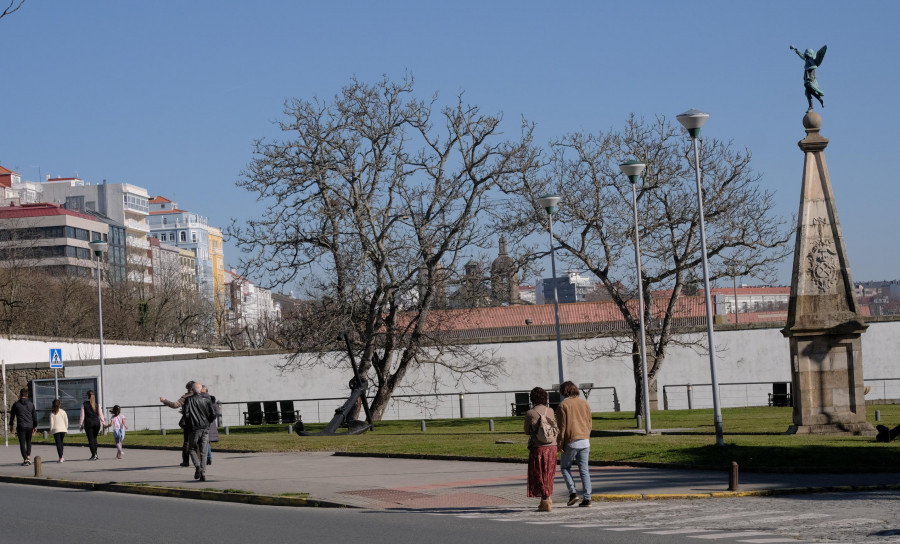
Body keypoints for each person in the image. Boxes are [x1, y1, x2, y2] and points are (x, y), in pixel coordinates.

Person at [555, 380, 593, 507]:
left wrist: (559, 444)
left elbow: (562, 427)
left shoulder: (563, 406)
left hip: (571, 441)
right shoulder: (584, 403)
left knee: (565, 467)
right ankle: (587, 498)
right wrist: (587, 434)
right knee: (584, 470)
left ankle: (573, 492)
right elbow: (589, 421)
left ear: (563, 391)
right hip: (585, 440)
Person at [523, 386, 558, 512]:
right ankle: (547, 497)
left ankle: (545, 500)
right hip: (552, 446)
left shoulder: (530, 413)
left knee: (539, 473)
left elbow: (526, 431)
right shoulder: (550, 410)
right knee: (549, 473)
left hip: (538, 447)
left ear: (532, 398)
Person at [183, 382, 216, 482]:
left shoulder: (189, 399)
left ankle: (197, 466)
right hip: (205, 428)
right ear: (201, 390)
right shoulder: (206, 400)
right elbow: (213, 414)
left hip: (194, 428)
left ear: (192, 390)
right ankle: (203, 473)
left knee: (192, 449)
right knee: (203, 451)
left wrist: (190, 424)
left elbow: (186, 414)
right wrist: (207, 422)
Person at [160, 380, 197, 467]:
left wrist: (165, 401)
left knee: (187, 442)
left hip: (188, 422)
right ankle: (199, 460)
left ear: (188, 388)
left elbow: (175, 405)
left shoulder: (186, 397)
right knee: (198, 441)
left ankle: (185, 461)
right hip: (199, 422)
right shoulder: (202, 396)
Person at [790, 44, 827, 111]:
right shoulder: (807, 59)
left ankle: (819, 91)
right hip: (806, 73)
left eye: (806, 54)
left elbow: (805, 58)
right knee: (807, 92)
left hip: (811, 73)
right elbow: (802, 56)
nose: (805, 55)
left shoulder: (812, 60)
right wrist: (797, 51)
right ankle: (812, 106)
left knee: (808, 84)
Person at [9, 388, 37, 466]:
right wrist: (35, 425)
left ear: (20, 395)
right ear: (27, 395)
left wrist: (11, 425)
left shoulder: (16, 404)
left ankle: (25, 459)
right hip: (29, 426)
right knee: (28, 441)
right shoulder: (31, 404)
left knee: (22, 443)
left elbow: (12, 416)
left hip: (21, 426)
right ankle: (28, 456)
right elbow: (34, 416)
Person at [79, 390, 106, 460]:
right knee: (94, 438)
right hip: (97, 423)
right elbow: (101, 415)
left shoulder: (84, 404)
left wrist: (80, 425)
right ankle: (96, 454)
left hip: (88, 423)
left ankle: (93, 455)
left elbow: (82, 416)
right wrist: (104, 423)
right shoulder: (97, 404)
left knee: (90, 440)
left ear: (88, 396)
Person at [200, 385, 220, 466]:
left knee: (203, 441)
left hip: (202, 422)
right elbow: (217, 411)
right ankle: (208, 456)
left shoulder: (199, 399)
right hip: (211, 423)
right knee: (207, 441)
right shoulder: (212, 399)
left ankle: (205, 457)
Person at [49, 398, 69, 463]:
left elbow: (51, 424)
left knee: (58, 444)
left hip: (56, 430)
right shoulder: (63, 412)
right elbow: (66, 421)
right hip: (63, 429)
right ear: (60, 404)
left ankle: (60, 457)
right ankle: (61, 456)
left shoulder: (52, 413)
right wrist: (66, 428)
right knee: (61, 442)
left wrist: (51, 431)